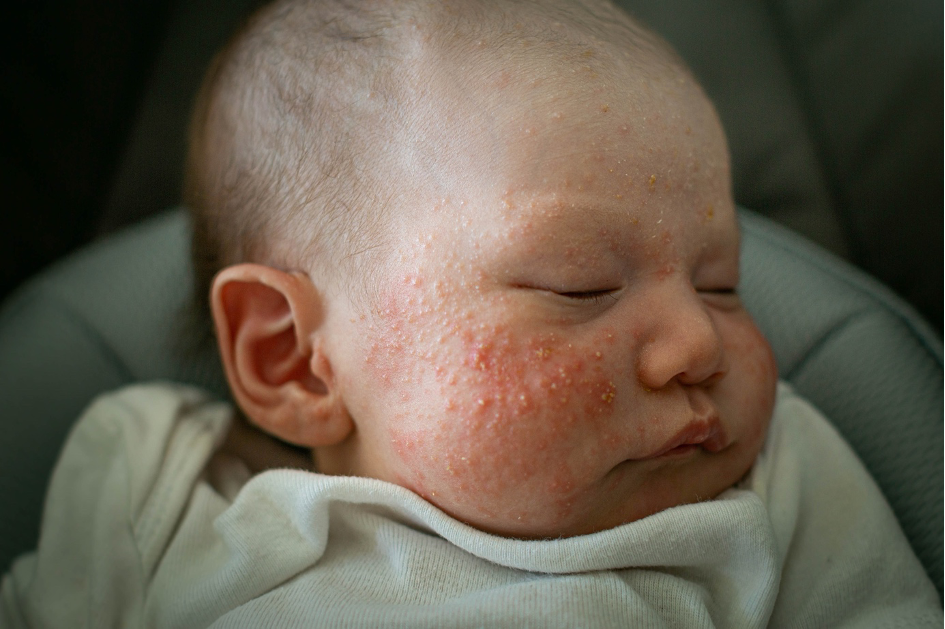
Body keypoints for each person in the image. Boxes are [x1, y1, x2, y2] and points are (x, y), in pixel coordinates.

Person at [2, 0, 940, 626]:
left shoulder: (770, 485)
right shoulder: (156, 487)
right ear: (294, 357)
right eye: (579, 285)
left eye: (721, 280)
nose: (698, 341)